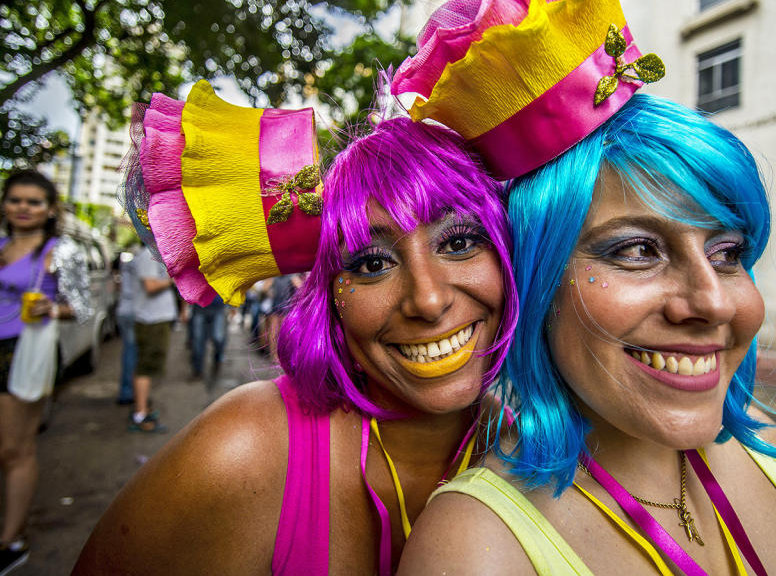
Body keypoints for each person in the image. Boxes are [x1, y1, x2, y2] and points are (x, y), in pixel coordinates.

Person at [396, 0, 776, 574]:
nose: (712, 301)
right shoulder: (476, 548)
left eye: (727, 252)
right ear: (536, 284)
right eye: (638, 250)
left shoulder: (771, 453)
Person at [71, 79, 517, 575]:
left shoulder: (538, 451)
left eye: (458, 243)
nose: (429, 301)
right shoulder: (242, 454)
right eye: (371, 263)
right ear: (329, 296)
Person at [0, 170, 90, 576]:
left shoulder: (60, 250)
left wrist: (52, 308)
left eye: (34, 201)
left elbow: (84, 308)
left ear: (50, 209)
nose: (23, 208)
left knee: (12, 452)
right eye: (16, 200)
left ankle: (12, 541)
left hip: (23, 353)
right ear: (4, 203)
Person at [129, 245, 176, 433]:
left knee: (148, 366)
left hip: (155, 319)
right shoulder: (148, 255)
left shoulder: (153, 254)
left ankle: (143, 408)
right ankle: (140, 415)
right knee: (145, 367)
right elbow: (150, 285)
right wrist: (173, 278)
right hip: (150, 320)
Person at [114, 246, 139, 405]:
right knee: (133, 353)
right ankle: (128, 391)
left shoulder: (127, 264)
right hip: (135, 311)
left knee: (129, 351)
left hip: (124, 309)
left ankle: (127, 390)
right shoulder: (142, 262)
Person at [188, 293, 228, 386]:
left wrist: (234, 307)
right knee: (198, 341)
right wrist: (184, 309)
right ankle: (197, 370)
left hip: (219, 308)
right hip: (199, 308)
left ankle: (218, 358)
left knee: (218, 338)